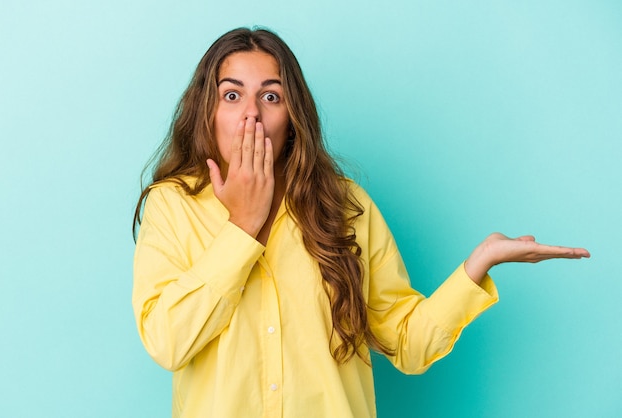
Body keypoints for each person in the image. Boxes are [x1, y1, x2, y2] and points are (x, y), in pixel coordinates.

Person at [132, 27, 590, 418]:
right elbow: (168, 343)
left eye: (271, 96)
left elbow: (407, 344)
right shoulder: (171, 205)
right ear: (207, 113)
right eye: (231, 95)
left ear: (292, 118)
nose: (251, 113)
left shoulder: (345, 203)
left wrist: (478, 264)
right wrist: (242, 227)